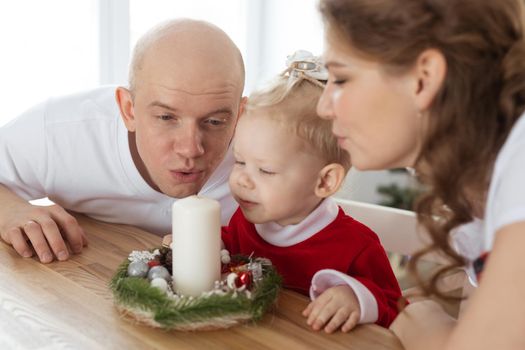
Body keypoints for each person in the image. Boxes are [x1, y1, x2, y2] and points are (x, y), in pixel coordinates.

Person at [317, 0, 525, 348]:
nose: (323, 107)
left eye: (341, 78)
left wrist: (425, 328)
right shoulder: (481, 184)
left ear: (423, 79)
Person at [0, 19, 246, 264]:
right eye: (166, 117)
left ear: (240, 115)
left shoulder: (272, 148)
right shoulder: (61, 131)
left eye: (215, 121)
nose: (191, 149)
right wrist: (9, 210)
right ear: (129, 110)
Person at [221, 51, 401, 332]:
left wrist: (355, 298)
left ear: (325, 181)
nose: (242, 180)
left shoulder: (357, 247)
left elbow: (395, 307)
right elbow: (230, 245)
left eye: (265, 171)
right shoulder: (246, 221)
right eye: (240, 162)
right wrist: (204, 243)